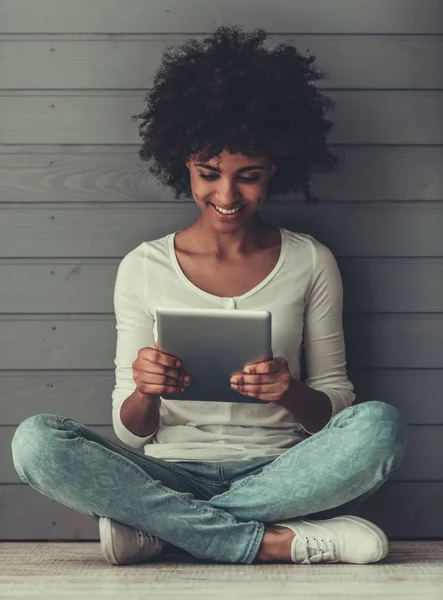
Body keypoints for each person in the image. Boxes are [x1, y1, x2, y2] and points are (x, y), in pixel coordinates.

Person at [11, 25, 407, 567]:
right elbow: (131, 434)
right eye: (208, 174)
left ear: (274, 170)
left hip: (284, 471)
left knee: (380, 427)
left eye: (248, 176)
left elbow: (335, 410)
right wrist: (147, 390)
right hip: (168, 470)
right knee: (36, 442)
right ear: (184, 166)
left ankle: (169, 533)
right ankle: (267, 539)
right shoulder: (143, 267)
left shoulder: (311, 260)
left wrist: (289, 390)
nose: (226, 196)